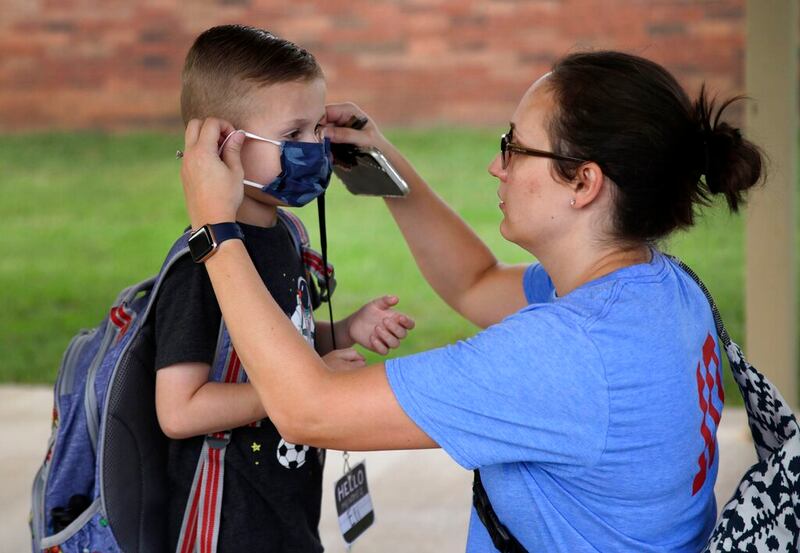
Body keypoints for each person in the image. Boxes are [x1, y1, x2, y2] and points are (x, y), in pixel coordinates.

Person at [178, 50, 764, 552]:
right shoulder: (660, 288)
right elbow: (475, 282)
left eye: (514, 147)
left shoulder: (561, 356)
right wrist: (380, 160)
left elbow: (308, 411)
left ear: (583, 182)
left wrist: (215, 229)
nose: (495, 165)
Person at [155, 25, 414, 553]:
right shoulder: (201, 266)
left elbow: (276, 338)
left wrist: (340, 331)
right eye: (294, 135)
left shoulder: (285, 233)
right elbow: (179, 410)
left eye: (318, 128)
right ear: (226, 143)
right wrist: (304, 388)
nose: (315, 148)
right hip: (227, 524)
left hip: (286, 514)